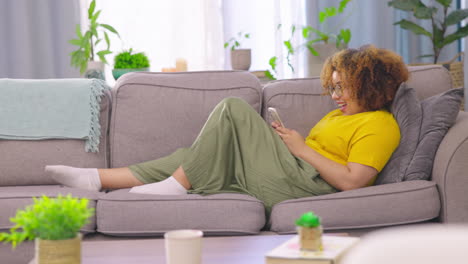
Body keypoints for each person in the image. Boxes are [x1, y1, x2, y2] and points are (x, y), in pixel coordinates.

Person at [46, 44, 409, 214]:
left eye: (341, 87)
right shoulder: (342, 116)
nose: (334, 95)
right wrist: (288, 142)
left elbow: (353, 181)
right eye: (331, 87)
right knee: (190, 156)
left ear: (369, 84)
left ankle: (175, 186)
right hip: (292, 169)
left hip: (305, 186)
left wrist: (299, 148)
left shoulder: (380, 124)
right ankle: (96, 179)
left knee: (234, 108)